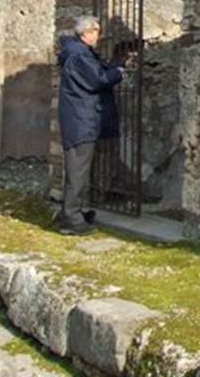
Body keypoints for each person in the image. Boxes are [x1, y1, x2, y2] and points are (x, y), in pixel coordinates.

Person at [56, 15, 124, 235]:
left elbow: (97, 73)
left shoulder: (79, 53)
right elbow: (98, 80)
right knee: (77, 171)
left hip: (82, 119)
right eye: (96, 30)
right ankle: (71, 220)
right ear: (86, 33)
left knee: (79, 170)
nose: (98, 35)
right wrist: (119, 73)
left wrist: (113, 68)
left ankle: (74, 212)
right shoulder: (78, 56)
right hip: (80, 121)